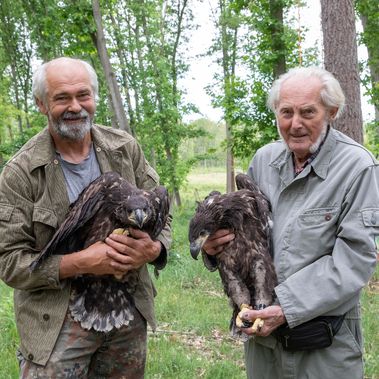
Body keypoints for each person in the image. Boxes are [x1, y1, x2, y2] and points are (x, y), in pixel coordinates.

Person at [202, 66, 379, 378]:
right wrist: (216, 247)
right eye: (286, 112)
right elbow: (247, 240)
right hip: (263, 344)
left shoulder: (357, 167)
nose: (295, 124)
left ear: (331, 112)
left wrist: (285, 307)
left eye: (308, 112)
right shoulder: (263, 161)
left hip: (323, 347)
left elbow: (355, 258)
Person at [0, 57, 171, 378]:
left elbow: (164, 216)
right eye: (62, 97)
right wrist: (81, 262)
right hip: (57, 321)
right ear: (41, 104)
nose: (75, 106)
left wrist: (153, 250)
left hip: (126, 311)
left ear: (94, 98)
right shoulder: (20, 172)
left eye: (83, 95)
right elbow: (9, 262)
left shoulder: (125, 149)